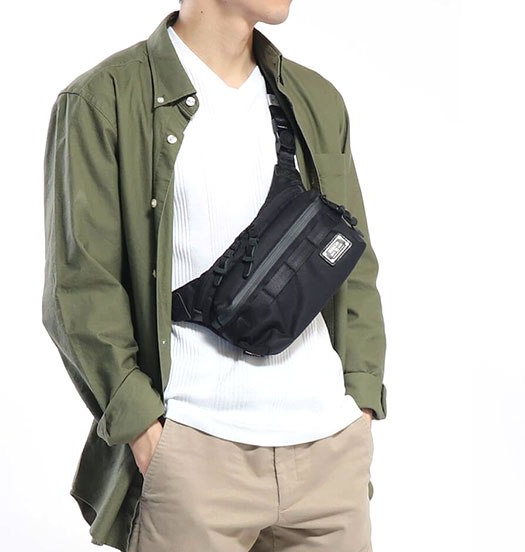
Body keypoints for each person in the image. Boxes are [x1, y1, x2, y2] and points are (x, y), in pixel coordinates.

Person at [41, 2, 387, 551]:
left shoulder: (315, 100)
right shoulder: (104, 101)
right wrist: (145, 433)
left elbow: (353, 265)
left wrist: (361, 403)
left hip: (328, 455)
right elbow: (81, 288)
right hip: (194, 457)